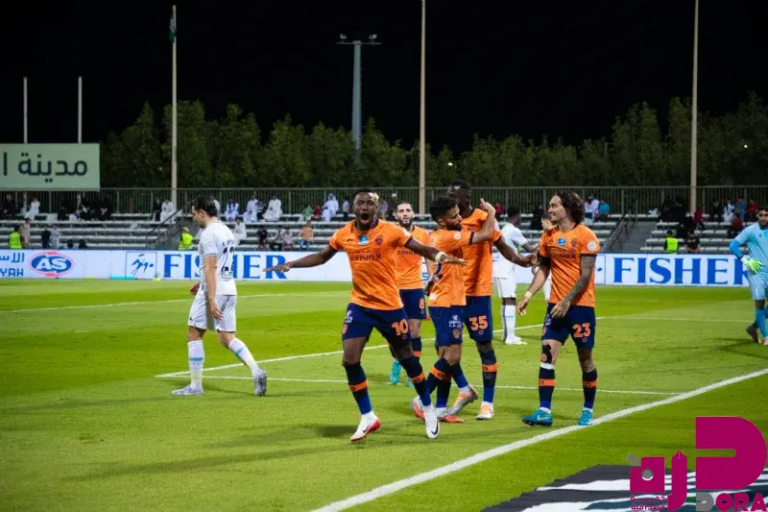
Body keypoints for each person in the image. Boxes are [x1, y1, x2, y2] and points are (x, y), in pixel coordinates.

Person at [263, 190, 464, 442]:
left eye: (370, 203)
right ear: (354, 208)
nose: (365, 207)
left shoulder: (391, 231)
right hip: (360, 305)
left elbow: (421, 247)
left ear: (376, 208)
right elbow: (322, 256)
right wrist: (292, 264)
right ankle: (368, 416)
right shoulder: (343, 234)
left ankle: (427, 406)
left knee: (408, 360)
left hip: (390, 306)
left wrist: (440, 256)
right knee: (349, 360)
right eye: (361, 203)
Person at [446, 180, 535, 420]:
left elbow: (501, 245)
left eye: (455, 195)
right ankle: (464, 389)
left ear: (467, 197)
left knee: (484, 346)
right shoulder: (446, 220)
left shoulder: (482, 218)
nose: (451, 198)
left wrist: (521, 260)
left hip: (477, 294)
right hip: (452, 294)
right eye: (448, 194)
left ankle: (487, 403)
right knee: (444, 348)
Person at [411, 195, 499, 424]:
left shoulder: (437, 235)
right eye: (454, 216)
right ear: (441, 221)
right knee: (451, 356)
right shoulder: (448, 236)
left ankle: (442, 406)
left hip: (448, 299)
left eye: (459, 213)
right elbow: (485, 235)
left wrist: (433, 279)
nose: (460, 218)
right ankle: (422, 398)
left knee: (446, 354)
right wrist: (491, 213)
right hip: (447, 302)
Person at [517, 190, 601, 428]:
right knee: (546, 355)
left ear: (569, 208)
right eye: (550, 205)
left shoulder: (586, 236)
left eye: (554, 206)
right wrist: (528, 294)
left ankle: (587, 410)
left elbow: (585, 274)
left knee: (585, 360)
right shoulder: (548, 236)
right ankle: (544, 411)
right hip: (555, 307)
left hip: (581, 307)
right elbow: (544, 268)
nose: (550, 210)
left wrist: (567, 301)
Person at [172, 196, 267, 397]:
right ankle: (256, 370)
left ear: (202, 212)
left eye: (194, 214)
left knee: (194, 333)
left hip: (214, 291)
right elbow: (221, 264)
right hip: (229, 288)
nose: (193, 218)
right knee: (226, 337)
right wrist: (201, 282)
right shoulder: (226, 231)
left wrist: (211, 297)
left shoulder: (208, 234)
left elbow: (212, 267)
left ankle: (195, 386)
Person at [390, 201, 431, 386]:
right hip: (394, 289)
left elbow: (429, 257)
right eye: (401, 211)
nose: (405, 213)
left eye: (408, 210)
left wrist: (432, 279)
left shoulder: (423, 234)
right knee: (395, 333)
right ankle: (396, 362)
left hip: (415, 287)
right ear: (396, 215)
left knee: (414, 331)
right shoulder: (390, 233)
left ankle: (414, 371)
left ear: (413, 214)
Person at [493, 206, 538, 345]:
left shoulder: (505, 228)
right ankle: (510, 337)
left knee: (506, 301)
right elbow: (529, 248)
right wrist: (545, 242)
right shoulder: (514, 230)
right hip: (505, 269)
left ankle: (507, 335)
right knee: (510, 301)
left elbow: (515, 251)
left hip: (499, 268)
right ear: (517, 216)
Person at [729, 205, 768, 345]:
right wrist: (745, 260)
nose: (763, 218)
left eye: (766, 215)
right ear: (757, 216)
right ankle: (766, 336)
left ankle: (753, 328)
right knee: (760, 303)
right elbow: (733, 245)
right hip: (757, 272)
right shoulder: (750, 231)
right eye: (761, 215)